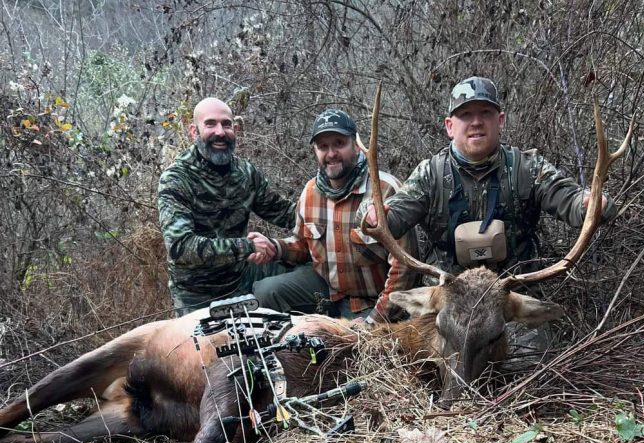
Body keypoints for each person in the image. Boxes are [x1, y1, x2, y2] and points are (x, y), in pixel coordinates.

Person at [360, 76, 618, 367]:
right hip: (447, 305)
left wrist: (590, 204)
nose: (476, 122)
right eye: (465, 115)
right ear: (450, 126)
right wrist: (373, 216)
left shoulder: (526, 168)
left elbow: (568, 198)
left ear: (500, 121)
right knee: (427, 371)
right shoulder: (430, 175)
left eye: (485, 113)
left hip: (510, 304)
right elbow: (392, 216)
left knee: (528, 372)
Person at [248, 109, 419, 324]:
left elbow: (404, 269)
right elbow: (303, 245)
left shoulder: (384, 190)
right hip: (327, 291)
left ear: (356, 145)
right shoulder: (310, 191)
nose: (331, 154)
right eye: (323, 146)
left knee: (357, 342)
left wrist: (374, 322)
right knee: (266, 291)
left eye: (339, 143)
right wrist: (275, 247)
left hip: (372, 302)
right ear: (315, 150)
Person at [157, 97, 296, 316]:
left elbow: (286, 213)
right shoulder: (176, 178)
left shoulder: (245, 173)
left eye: (226, 124)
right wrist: (248, 246)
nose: (220, 132)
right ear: (194, 131)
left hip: (243, 278)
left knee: (309, 273)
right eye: (210, 124)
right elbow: (180, 247)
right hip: (197, 295)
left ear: (235, 130)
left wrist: (330, 211)